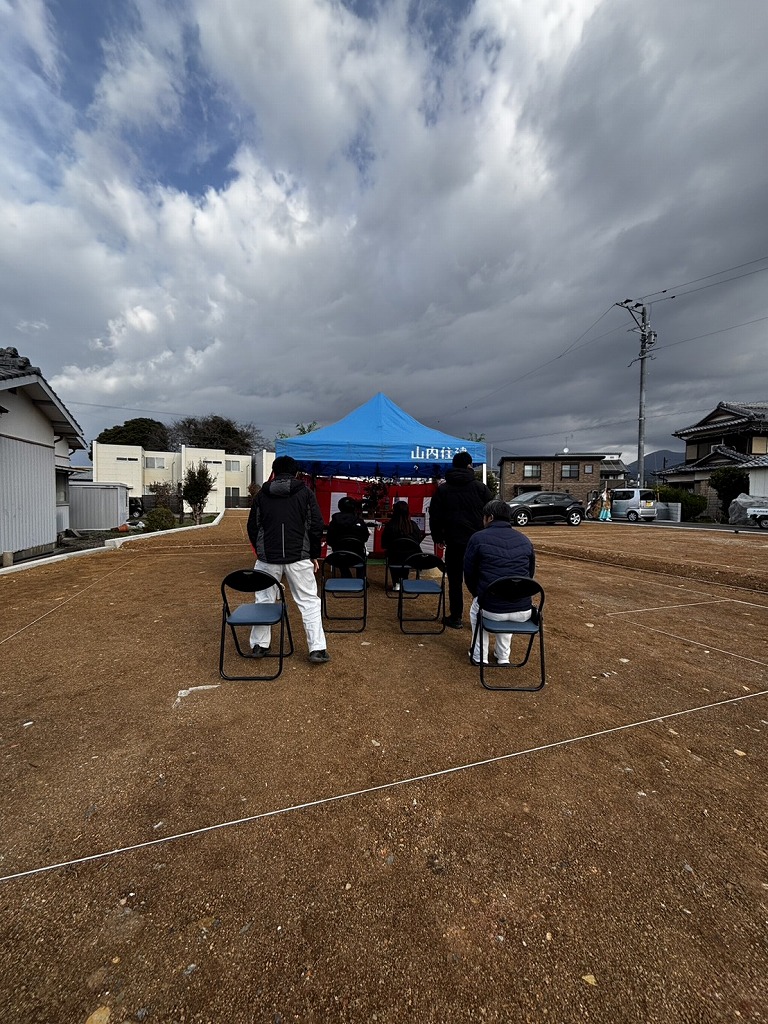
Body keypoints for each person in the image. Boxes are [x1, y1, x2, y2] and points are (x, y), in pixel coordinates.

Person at [246, 455, 330, 664]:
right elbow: (316, 525)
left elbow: (253, 526)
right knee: (309, 602)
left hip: (268, 559)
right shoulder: (306, 493)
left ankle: (259, 645)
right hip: (299, 557)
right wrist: (312, 555)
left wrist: (261, 551)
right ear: (296, 473)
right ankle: (317, 649)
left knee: (264, 600)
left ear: (274, 472)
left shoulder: (262, 495)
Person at [463, 499, 536, 666]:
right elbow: (529, 574)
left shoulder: (478, 538)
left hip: (492, 606)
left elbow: (469, 572)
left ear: (490, 518)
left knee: (478, 609)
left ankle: (479, 656)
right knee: (508, 598)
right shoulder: (525, 540)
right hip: (523, 609)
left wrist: (477, 593)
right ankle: (503, 656)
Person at [428, 451, 493, 629]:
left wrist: (438, 537)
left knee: (455, 580)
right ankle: (480, 615)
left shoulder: (443, 489)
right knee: (479, 579)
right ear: (469, 466)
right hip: (478, 542)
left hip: (454, 542)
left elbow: (434, 515)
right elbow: (492, 512)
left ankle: (456, 616)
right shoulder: (480, 488)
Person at [380, 500, 425, 590]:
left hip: (394, 558)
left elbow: (384, 544)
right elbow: (417, 542)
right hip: (411, 559)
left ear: (394, 512)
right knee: (405, 557)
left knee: (394, 556)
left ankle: (396, 583)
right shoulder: (413, 526)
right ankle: (404, 581)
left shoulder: (390, 526)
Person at [325, 497, 370, 577]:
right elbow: (365, 538)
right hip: (358, 557)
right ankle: (362, 579)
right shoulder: (360, 522)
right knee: (361, 552)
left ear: (339, 507)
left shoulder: (334, 522)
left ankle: (346, 575)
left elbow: (329, 540)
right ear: (354, 507)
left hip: (339, 557)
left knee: (339, 553)